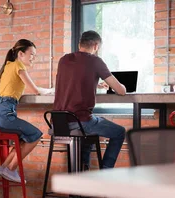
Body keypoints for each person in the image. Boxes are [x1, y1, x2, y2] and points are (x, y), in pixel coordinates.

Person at [53, 30, 127, 169]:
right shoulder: (95, 61)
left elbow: (72, 81)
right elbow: (120, 91)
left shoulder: (64, 60)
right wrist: (123, 85)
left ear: (79, 43)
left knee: (90, 130)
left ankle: (83, 170)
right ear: (96, 46)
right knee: (119, 132)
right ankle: (105, 172)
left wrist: (95, 83)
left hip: (59, 122)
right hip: (79, 120)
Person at [0, 39, 54, 183]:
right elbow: (35, 90)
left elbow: (29, 89)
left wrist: (48, 91)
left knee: (25, 137)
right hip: (4, 114)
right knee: (35, 134)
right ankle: (11, 169)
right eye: (32, 54)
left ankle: (5, 167)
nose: (33, 58)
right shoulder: (18, 65)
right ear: (21, 54)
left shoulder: (8, 65)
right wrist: (50, 91)